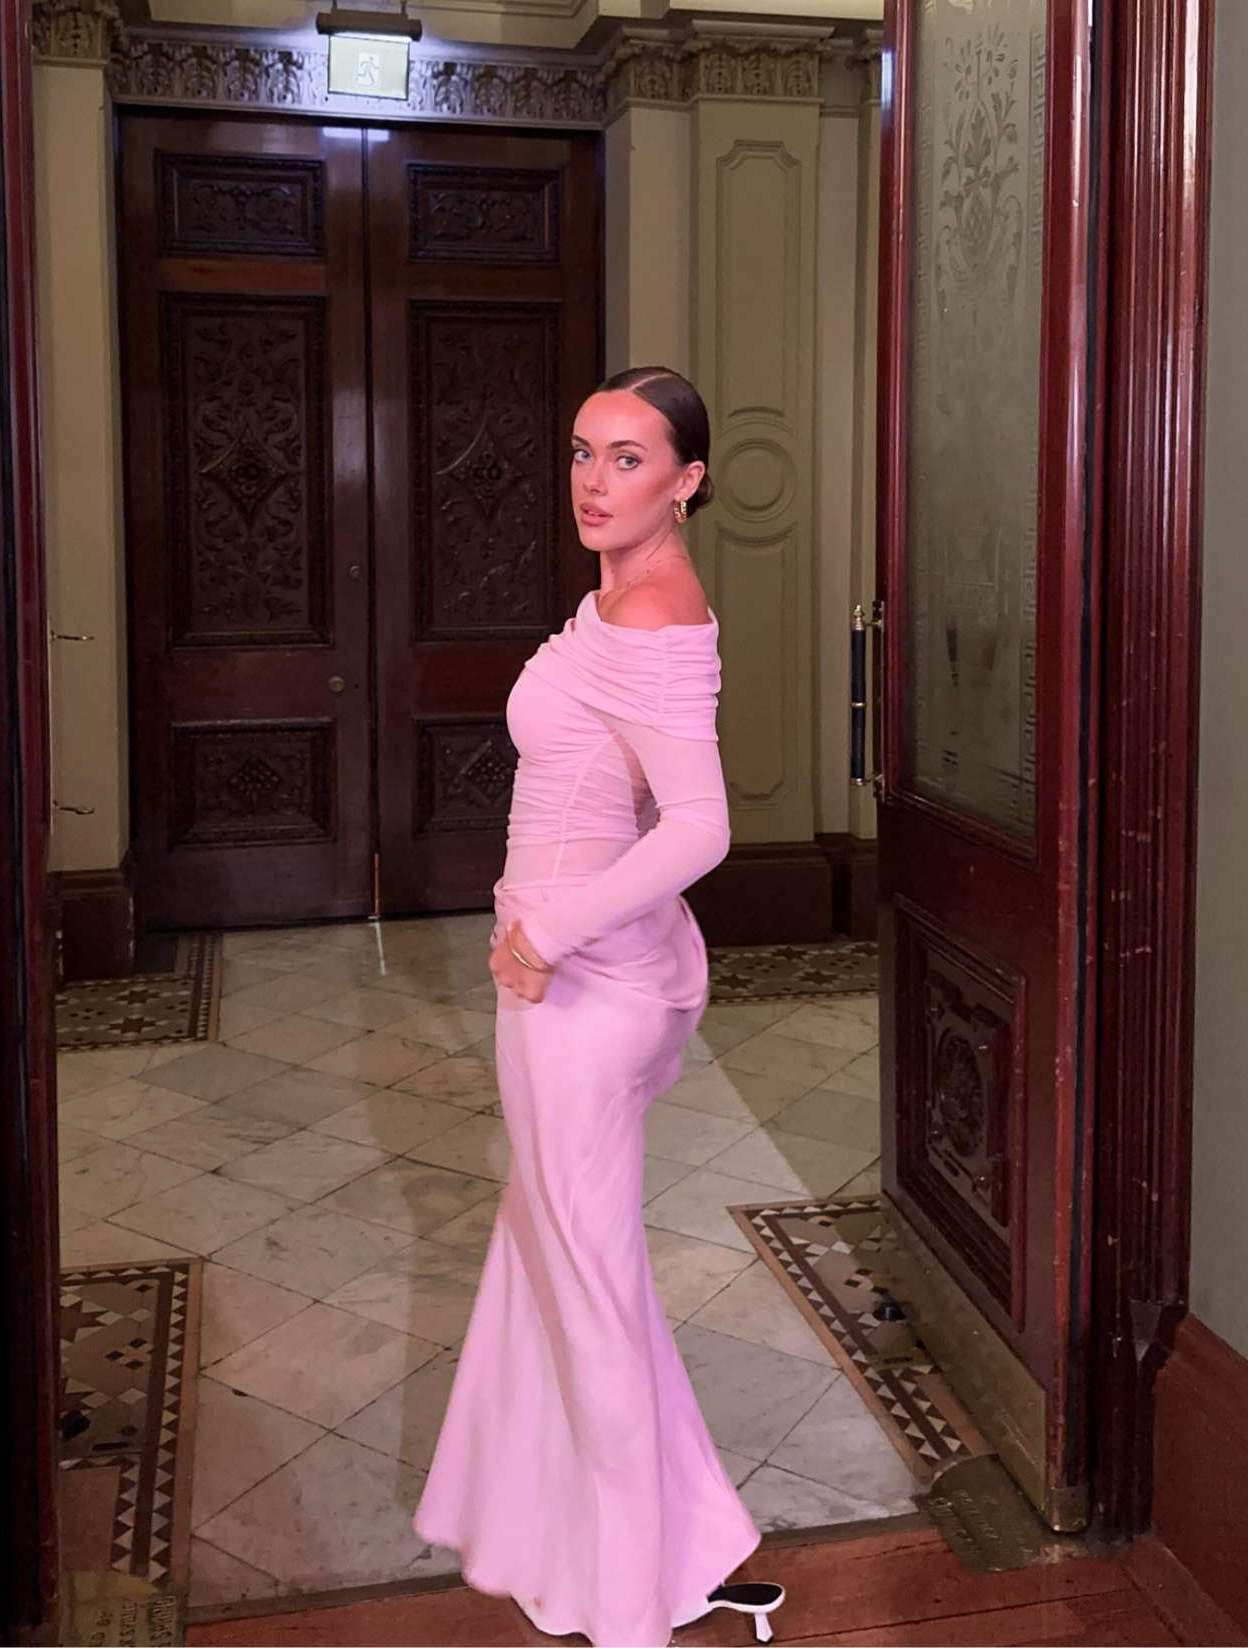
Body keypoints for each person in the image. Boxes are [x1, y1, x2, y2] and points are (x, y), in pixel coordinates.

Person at [413, 368, 786, 1648]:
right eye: (582, 451)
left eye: (628, 458)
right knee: (558, 1252)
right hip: (560, 972)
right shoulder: (616, 595)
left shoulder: (658, 609)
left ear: (687, 480)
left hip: (583, 983)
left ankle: (630, 1601)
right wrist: (532, 930)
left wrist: (548, 932)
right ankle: (634, 1544)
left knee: (583, 1278)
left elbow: (699, 826)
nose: (591, 479)